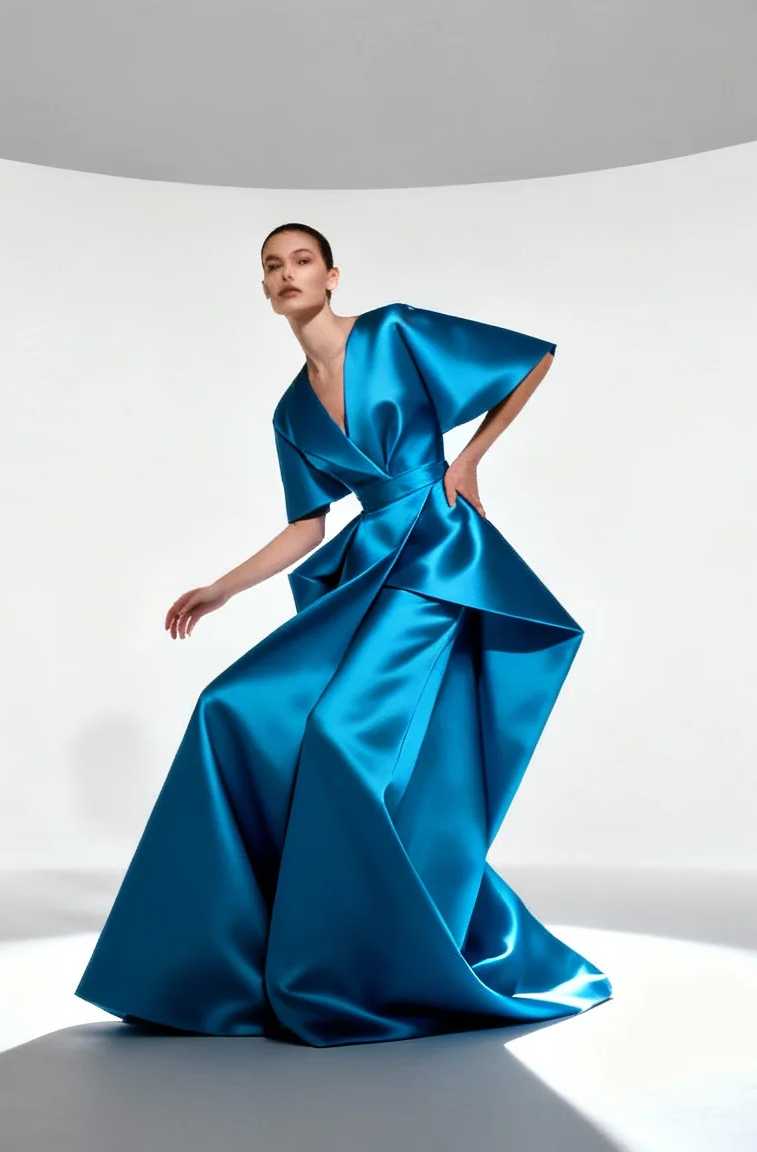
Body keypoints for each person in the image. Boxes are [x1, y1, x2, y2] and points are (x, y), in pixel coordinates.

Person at [74, 223, 610, 1047]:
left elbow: (531, 360)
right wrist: (222, 588)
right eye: (272, 266)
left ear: (331, 275)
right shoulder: (291, 410)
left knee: (334, 738)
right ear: (264, 289)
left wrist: (469, 459)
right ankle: (204, 969)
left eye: (301, 261)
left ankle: (348, 966)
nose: (287, 274)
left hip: (436, 556)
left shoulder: (392, 332)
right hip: (369, 566)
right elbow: (307, 525)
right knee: (230, 708)